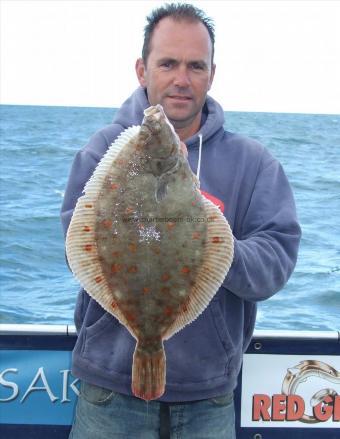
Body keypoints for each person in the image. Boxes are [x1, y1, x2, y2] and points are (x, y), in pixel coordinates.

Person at [61, 3, 301, 438]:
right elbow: (75, 241)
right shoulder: (102, 151)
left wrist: (207, 243)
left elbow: (275, 262)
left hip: (208, 395)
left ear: (212, 74)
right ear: (142, 70)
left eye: (196, 66)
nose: (182, 79)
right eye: (168, 63)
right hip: (109, 394)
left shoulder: (254, 163)